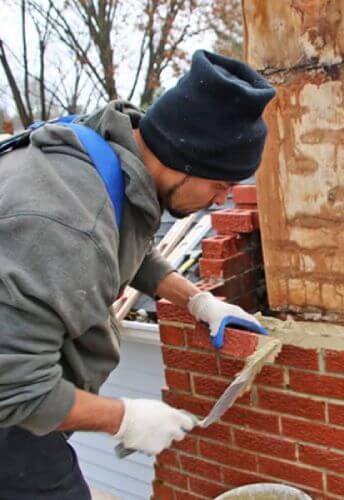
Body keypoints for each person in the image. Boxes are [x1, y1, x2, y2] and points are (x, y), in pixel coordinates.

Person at [0, 49, 276, 499]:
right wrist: (123, 418)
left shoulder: (116, 154)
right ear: (187, 161)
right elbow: (14, 389)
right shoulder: (67, 221)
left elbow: (126, 248)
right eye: (221, 185)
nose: (222, 200)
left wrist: (198, 301)